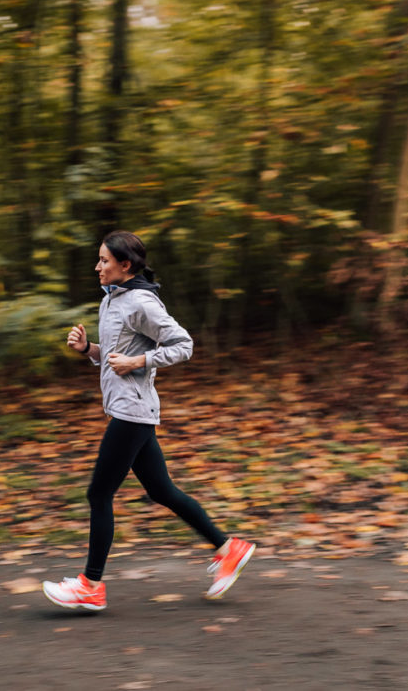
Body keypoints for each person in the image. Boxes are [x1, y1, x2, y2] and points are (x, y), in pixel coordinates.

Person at [42, 230, 255, 611]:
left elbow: (183, 345)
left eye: (104, 260)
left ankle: (90, 584)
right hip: (130, 409)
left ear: (125, 265)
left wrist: (139, 362)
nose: (97, 266)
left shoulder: (141, 301)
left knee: (99, 494)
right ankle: (229, 548)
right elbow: (114, 353)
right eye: (98, 260)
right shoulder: (112, 300)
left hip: (132, 412)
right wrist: (87, 350)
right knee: (161, 491)